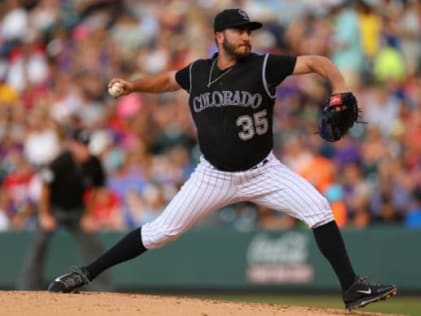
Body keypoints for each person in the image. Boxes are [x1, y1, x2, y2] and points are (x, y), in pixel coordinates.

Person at [47, 9, 396, 310]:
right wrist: (135, 86)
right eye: (240, 31)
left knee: (319, 209)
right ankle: (86, 273)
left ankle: (352, 289)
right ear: (220, 36)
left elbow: (316, 62)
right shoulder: (198, 72)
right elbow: (169, 81)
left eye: (249, 31)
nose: (247, 37)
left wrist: (339, 88)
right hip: (212, 175)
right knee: (158, 233)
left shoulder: (264, 66)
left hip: (264, 171)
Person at [18, 128, 111, 291]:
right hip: (55, 208)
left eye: (86, 145)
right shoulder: (61, 161)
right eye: (80, 145)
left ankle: (103, 288)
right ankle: (27, 286)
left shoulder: (94, 164)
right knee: (39, 244)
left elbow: (95, 191)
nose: (83, 149)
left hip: (77, 210)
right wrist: (45, 215)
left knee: (94, 244)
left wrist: (89, 215)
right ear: (72, 145)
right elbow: (45, 188)